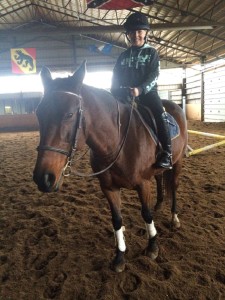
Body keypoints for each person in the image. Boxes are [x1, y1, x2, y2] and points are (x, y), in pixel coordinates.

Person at [111, 12, 172, 170]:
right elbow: (115, 76)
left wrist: (140, 89)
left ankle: (167, 152)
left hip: (147, 94)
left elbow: (154, 76)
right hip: (125, 95)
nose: (136, 35)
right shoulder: (122, 56)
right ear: (128, 34)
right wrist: (115, 91)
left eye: (139, 31)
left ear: (145, 33)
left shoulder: (152, 53)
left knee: (160, 114)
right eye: (132, 32)